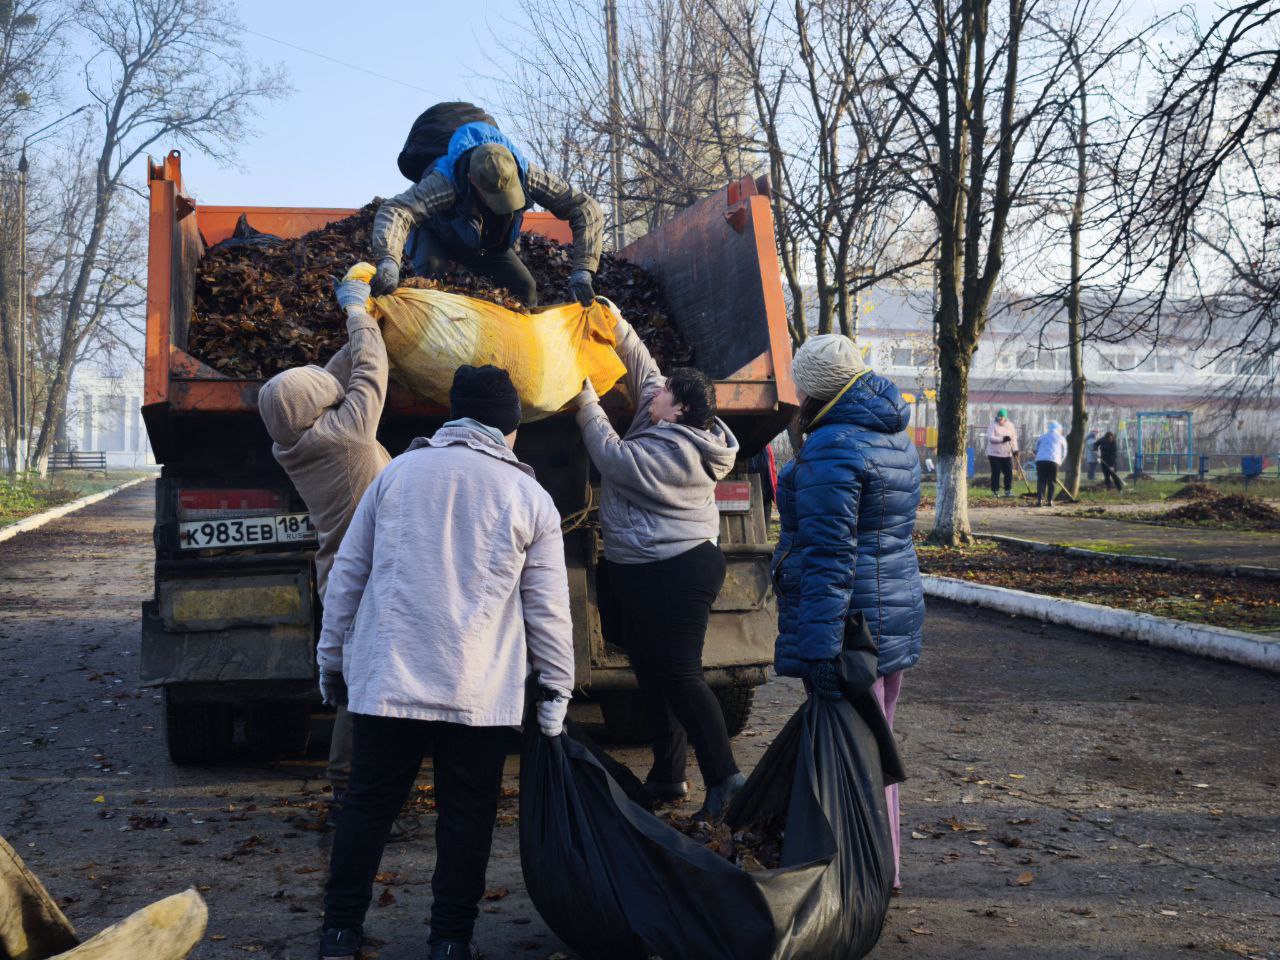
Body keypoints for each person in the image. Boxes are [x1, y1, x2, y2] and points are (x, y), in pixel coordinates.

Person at [314, 365, 575, 960]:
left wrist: (332, 661)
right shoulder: (529, 496)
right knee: (466, 820)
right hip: (478, 693)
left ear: (453, 418)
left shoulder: (397, 475)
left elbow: (348, 576)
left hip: (388, 682)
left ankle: (338, 931)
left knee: (368, 806)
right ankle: (451, 942)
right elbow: (548, 610)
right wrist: (556, 693)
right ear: (509, 429)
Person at [573, 301, 743, 821]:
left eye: (667, 394)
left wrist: (584, 398)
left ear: (680, 413)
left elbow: (612, 457)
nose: (658, 391)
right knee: (652, 674)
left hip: (678, 570)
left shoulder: (679, 454)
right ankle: (668, 776)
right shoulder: (661, 410)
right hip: (646, 570)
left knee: (682, 675)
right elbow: (644, 366)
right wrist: (616, 321)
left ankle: (727, 780)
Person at [772, 334, 924, 891]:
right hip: (892, 614)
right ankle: (884, 867)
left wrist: (818, 649)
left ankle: (863, 872)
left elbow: (828, 556)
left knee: (856, 753)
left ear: (813, 389)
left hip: (850, 625)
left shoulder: (832, 446)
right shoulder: (892, 435)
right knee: (877, 743)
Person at [258, 264, 391, 815]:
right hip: (365, 577)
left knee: (366, 678)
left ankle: (361, 786)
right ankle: (349, 790)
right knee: (363, 687)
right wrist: (357, 312)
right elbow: (370, 373)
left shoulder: (293, 439)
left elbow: (336, 381)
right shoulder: (347, 438)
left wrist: (364, 325)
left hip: (340, 573)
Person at [370, 120, 603, 308]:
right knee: (432, 281)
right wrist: (388, 261)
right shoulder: (445, 182)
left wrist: (583, 270)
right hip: (437, 232)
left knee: (525, 288)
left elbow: (585, 207)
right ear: (472, 180)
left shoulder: (527, 174)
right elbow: (397, 210)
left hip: (484, 241)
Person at [986, 408, 1018, 497]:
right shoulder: (993, 425)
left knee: (1008, 472)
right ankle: (995, 491)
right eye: (999, 417)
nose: (1000, 419)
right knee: (996, 472)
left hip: (1007, 453)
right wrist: (1002, 439)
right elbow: (991, 438)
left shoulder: (1010, 426)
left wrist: (1015, 450)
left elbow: (1013, 439)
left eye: (1002, 418)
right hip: (994, 454)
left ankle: (1008, 490)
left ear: (1005, 417)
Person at [1034, 421, 1068, 507]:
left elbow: (1035, 449)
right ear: (1058, 429)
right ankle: (1050, 500)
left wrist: (1038, 456)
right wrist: (1060, 462)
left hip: (1041, 461)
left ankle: (1040, 500)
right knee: (1052, 481)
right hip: (1054, 461)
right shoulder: (1061, 438)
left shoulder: (1042, 437)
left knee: (1041, 480)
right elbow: (1064, 452)